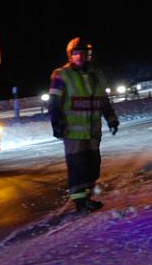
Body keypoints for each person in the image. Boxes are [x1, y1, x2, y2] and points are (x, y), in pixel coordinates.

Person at [48, 38, 119, 213]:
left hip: (93, 132)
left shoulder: (97, 75)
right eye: (76, 53)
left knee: (93, 166)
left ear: (89, 55)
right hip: (72, 132)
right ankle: (80, 203)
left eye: (84, 53)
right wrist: (56, 122)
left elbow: (103, 101)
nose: (80, 57)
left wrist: (111, 118)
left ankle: (87, 198)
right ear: (70, 56)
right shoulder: (61, 74)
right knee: (77, 167)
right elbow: (54, 102)